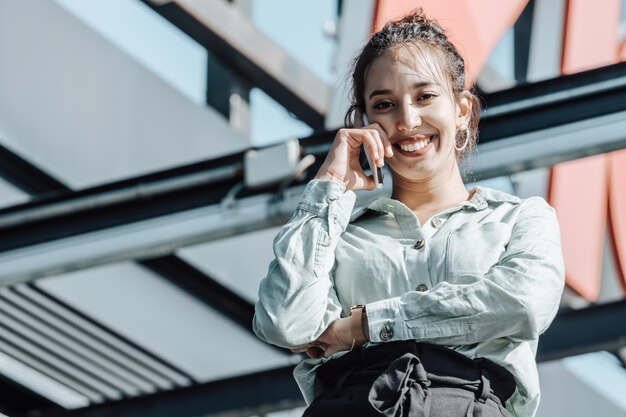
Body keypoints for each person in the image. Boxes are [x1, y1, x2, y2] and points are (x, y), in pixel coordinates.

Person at [253, 9, 565, 417]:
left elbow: (522, 304)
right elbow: (284, 322)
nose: (407, 120)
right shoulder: (338, 236)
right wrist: (329, 186)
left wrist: (365, 325)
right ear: (364, 122)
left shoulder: (519, 219)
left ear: (462, 110)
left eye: (425, 96)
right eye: (385, 104)